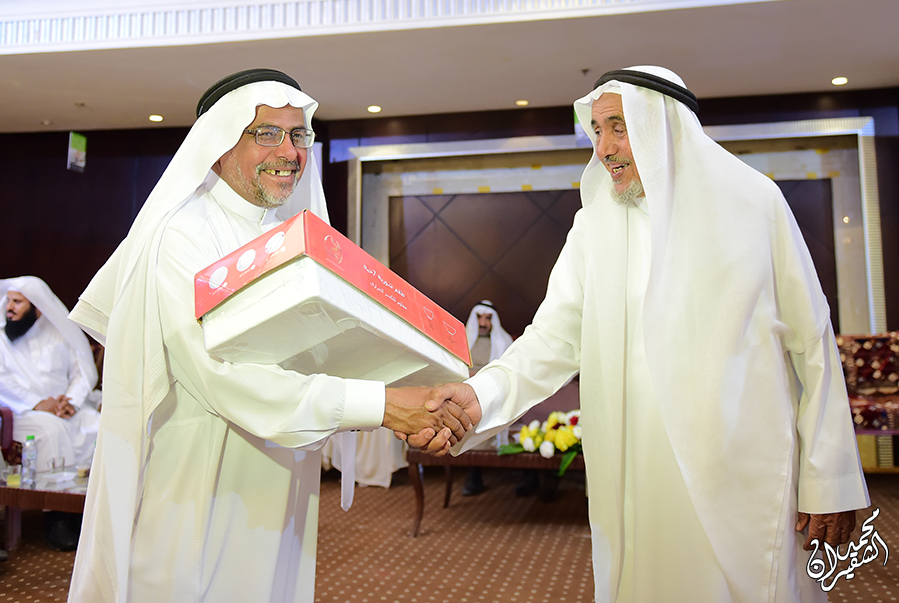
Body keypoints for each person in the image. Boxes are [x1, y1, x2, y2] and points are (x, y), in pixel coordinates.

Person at [413, 66, 870, 603]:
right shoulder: (595, 225)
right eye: (596, 130)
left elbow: (811, 345)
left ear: (665, 128)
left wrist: (829, 477)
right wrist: (479, 396)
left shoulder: (755, 206)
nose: (603, 148)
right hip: (635, 472)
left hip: (740, 471)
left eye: (619, 127)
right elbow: (552, 338)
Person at [66, 69, 471, 603]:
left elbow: (320, 357)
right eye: (266, 133)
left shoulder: (287, 237)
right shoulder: (182, 236)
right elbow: (225, 378)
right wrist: (386, 406)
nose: (289, 151)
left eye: (298, 134)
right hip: (201, 492)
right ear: (219, 145)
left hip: (284, 485)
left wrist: (408, 393)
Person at [0, 276, 101, 551]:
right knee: (51, 430)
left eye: (18, 302)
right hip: (23, 413)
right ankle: (56, 515)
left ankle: (85, 511)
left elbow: (82, 372)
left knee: (97, 425)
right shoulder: (1, 339)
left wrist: (72, 402)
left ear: (37, 307)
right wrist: (38, 403)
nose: (9, 307)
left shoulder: (59, 334)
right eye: (9, 301)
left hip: (65, 409)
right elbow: (2, 382)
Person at [461, 300, 512, 496]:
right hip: (465, 389)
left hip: (492, 390)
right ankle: (474, 475)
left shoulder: (503, 341)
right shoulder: (462, 339)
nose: (483, 323)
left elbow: (509, 371)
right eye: (479, 318)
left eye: (488, 319)